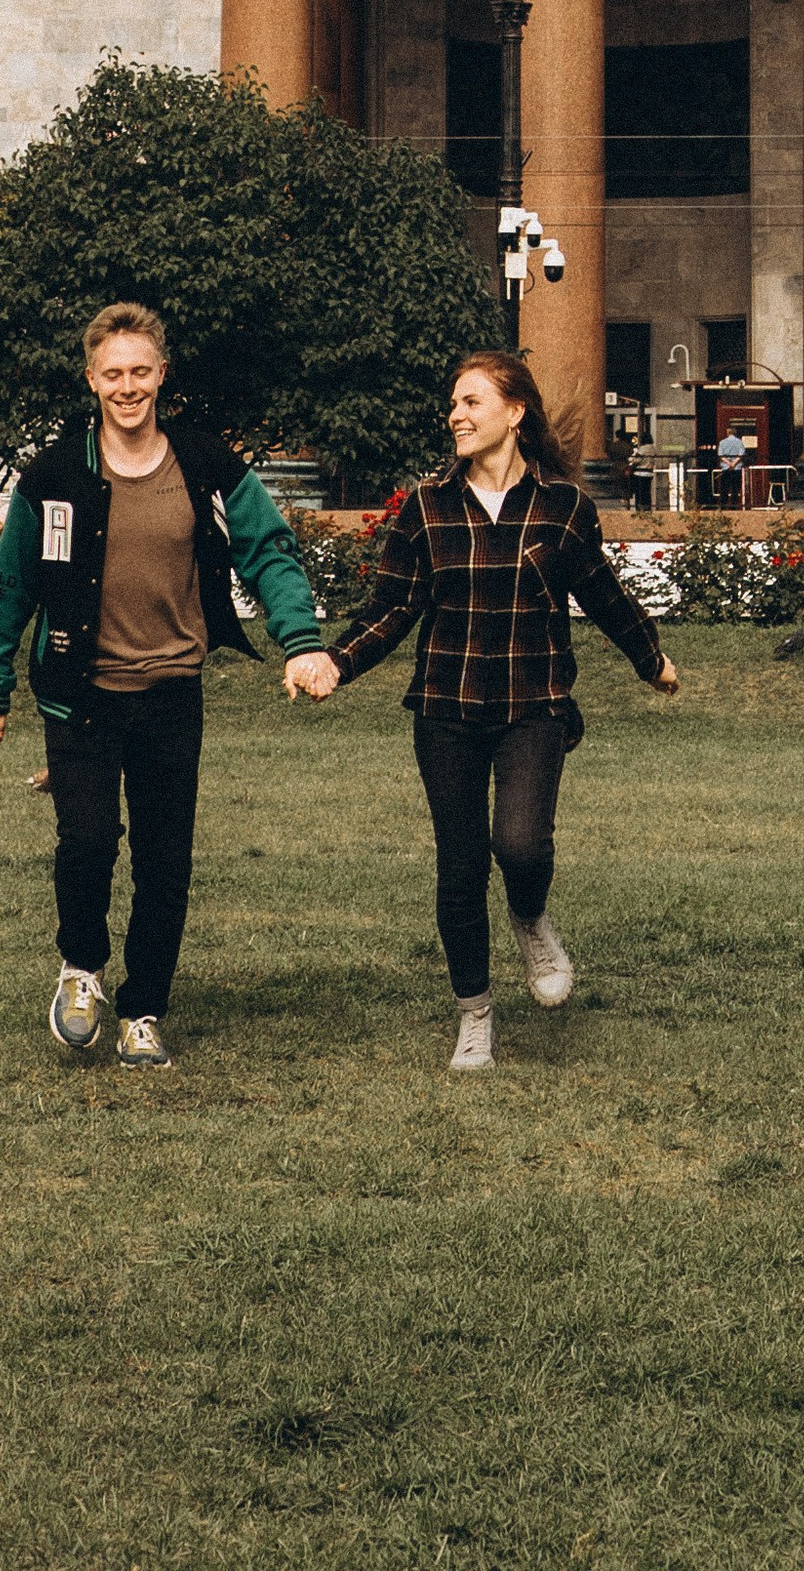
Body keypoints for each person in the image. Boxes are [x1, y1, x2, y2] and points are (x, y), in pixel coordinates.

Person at [288, 351, 678, 1072]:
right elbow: (393, 606)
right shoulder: (427, 508)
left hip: (535, 705)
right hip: (445, 709)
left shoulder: (562, 509)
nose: (456, 416)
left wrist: (650, 660)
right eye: (454, 405)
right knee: (461, 866)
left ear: (514, 412)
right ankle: (475, 1016)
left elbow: (604, 596)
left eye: (471, 402)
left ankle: (530, 918)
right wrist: (336, 662)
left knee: (522, 846)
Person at [0, 300, 325, 1073]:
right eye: (112, 374)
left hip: (171, 694)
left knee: (166, 862)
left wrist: (298, 639)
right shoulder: (55, 476)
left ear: (162, 375)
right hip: (79, 692)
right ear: (91, 380)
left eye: (140, 372)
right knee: (90, 840)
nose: (127, 387)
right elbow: (10, 585)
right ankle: (81, 970)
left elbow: (270, 550)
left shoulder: (205, 466)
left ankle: (142, 1010)